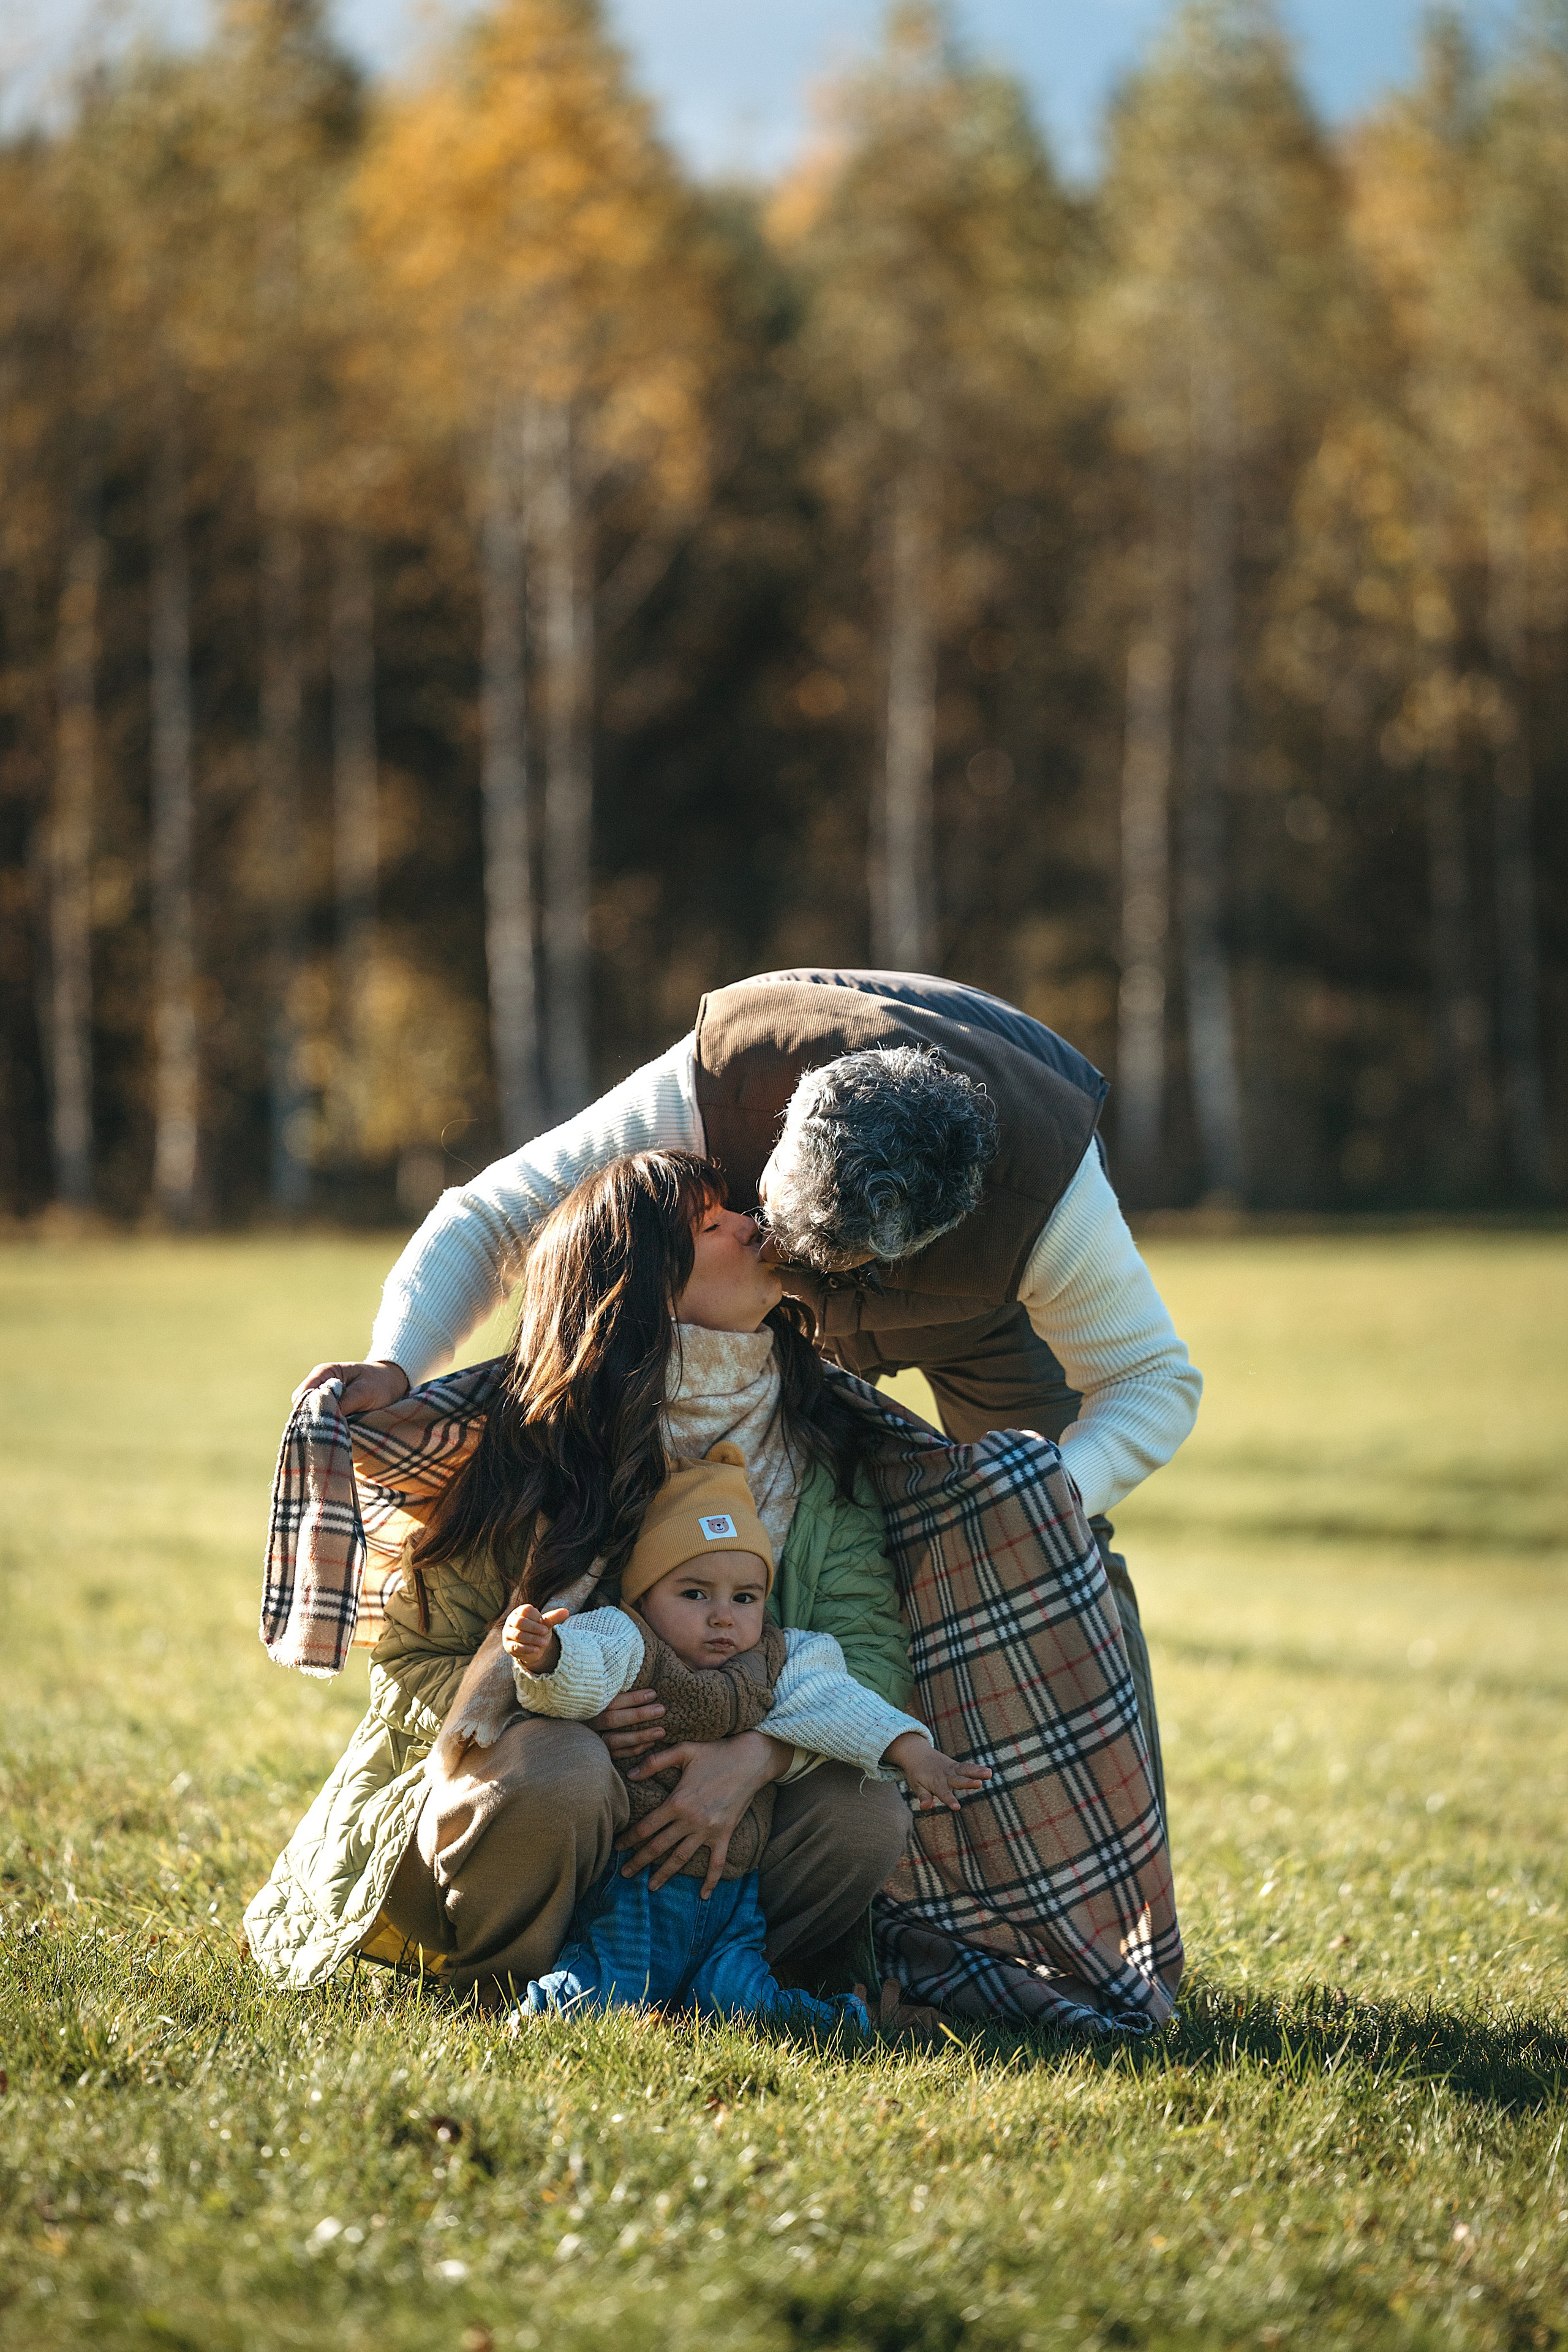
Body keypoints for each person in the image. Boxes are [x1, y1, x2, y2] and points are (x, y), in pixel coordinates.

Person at [295, 967, 1202, 1804]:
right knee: (780, 1540)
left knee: (1057, 1551)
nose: (771, 1244)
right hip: (765, 1320)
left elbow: (1151, 1380)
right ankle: (777, 1803)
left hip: (984, 1322)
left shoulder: (1049, 1203)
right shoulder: (715, 1086)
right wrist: (396, 1360)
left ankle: (1065, 1859)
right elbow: (493, 1216)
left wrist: (1048, 1496)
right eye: (760, 1217)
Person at [246, 1150, 917, 2000]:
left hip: (725, 1833)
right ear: (644, 1284)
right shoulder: (534, 1443)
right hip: (547, 1803)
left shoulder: (814, 1440)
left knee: (865, 1812)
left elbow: (873, 1658)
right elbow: (415, 1669)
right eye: (714, 1225)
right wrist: (567, 1701)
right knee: (563, 1769)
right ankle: (504, 1981)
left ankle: (716, 1980)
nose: (755, 1225)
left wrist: (755, 1757)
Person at [496, 1445, 986, 2028]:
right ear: (645, 1594)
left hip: (733, 1903)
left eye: (744, 1598)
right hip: (634, 1892)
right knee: (603, 1988)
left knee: (740, 1999)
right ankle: (540, 2015)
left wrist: (912, 1751)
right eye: (695, 1594)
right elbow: (584, 1670)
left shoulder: (786, 1657)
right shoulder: (629, 1639)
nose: (723, 1616)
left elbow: (840, 1705)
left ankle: (840, 2021)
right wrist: (549, 1654)